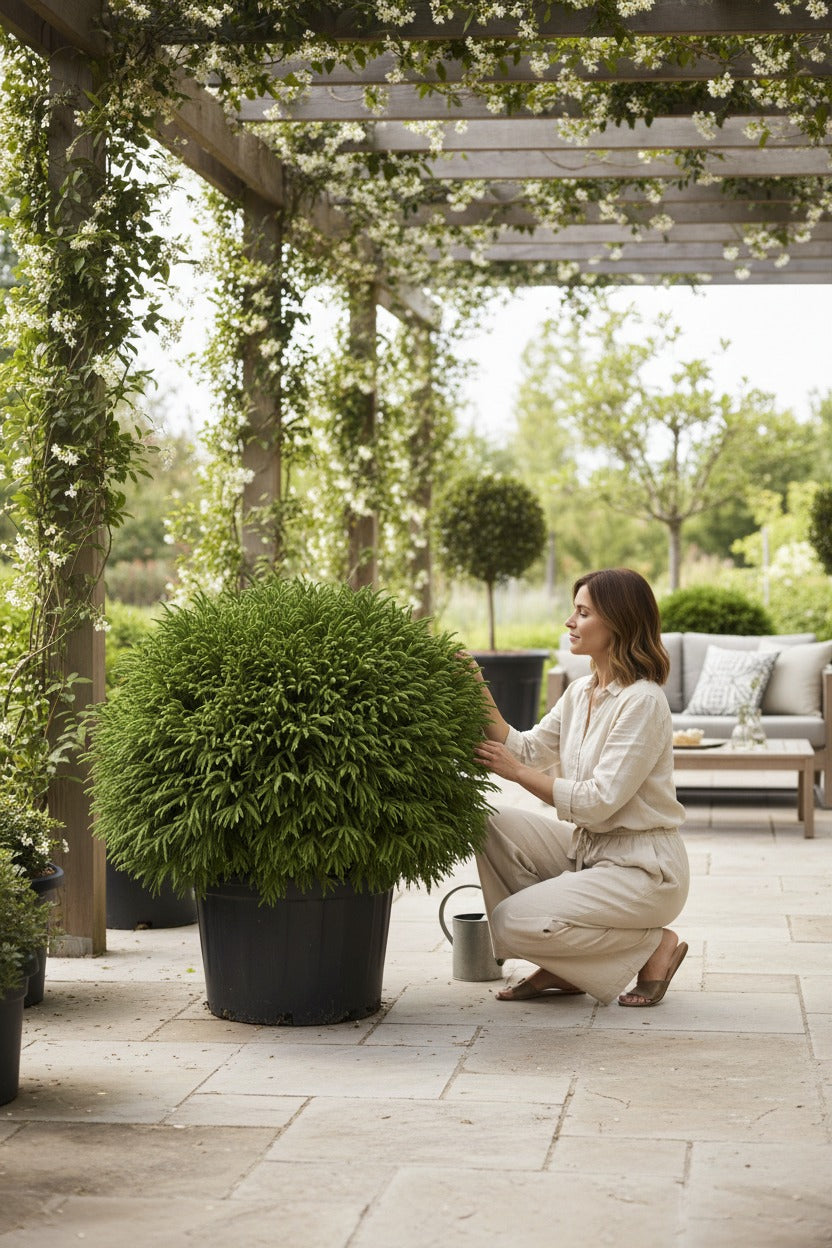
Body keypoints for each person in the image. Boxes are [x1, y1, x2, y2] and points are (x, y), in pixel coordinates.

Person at [471, 567, 689, 1008]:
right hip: (590, 851)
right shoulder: (580, 692)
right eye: (574, 610)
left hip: (644, 870)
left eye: (583, 612)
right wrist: (476, 686)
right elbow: (528, 749)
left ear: (618, 623)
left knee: (509, 921)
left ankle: (655, 947)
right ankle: (567, 965)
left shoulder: (643, 701)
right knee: (489, 823)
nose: (570, 622)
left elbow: (598, 802)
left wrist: (515, 773)